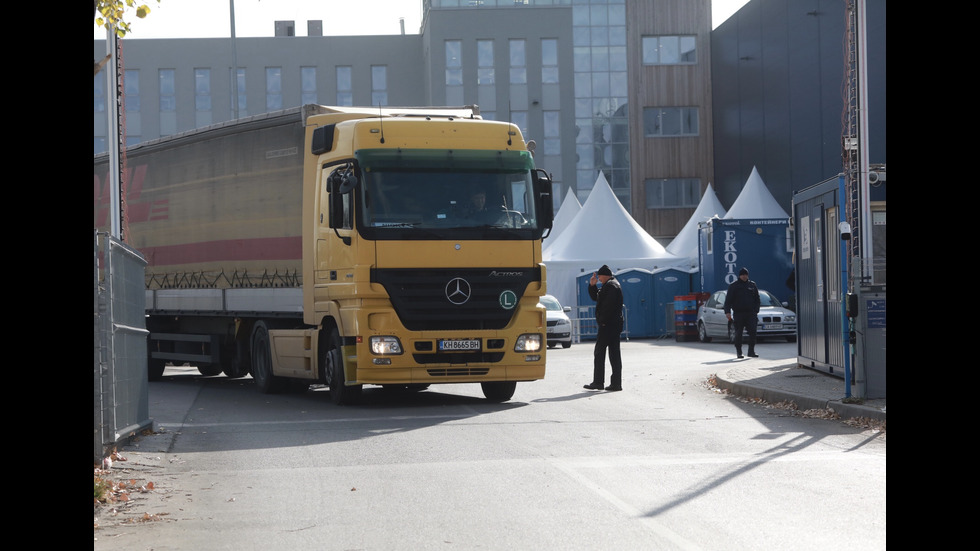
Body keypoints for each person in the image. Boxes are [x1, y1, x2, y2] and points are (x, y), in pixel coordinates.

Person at [583, 264, 624, 391]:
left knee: (600, 352)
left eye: (599, 276)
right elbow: (597, 297)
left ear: (605, 275)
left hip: (608, 325)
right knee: (614, 354)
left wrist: (602, 321)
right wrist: (592, 285)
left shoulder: (611, 286)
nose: (599, 279)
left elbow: (607, 306)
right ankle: (615, 383)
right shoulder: (610, 285)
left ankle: (598, 382)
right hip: (613, 325)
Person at [723, 267, 761, 358]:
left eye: (746, 275)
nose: (744, 276)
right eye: (742, 275)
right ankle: (739, 352)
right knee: (738, 333)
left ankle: (751, 351)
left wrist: (756, 310)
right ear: (739, 276)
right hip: (739, 313)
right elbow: (728, 300)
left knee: (753, 332)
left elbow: (757, 299)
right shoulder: (734, 286)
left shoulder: (752, 285)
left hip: (751, 313)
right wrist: (727, 312)